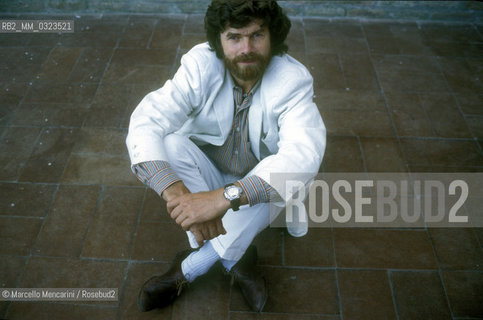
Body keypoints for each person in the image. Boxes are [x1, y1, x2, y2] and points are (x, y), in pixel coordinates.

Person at [126, 0, 326, 313]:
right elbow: (145, 121)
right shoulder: (199, 65)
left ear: (272, 37)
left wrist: (223, 198)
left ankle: (188, 269)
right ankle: (238, 258)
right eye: (234, 37)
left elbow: (302, 155)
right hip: (206, 173)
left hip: (257, 187)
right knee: (168, 143)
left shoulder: (292, 80)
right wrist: (182, 198)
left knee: (278, 180)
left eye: (257, 35)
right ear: (218, 41)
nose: (246, 48)